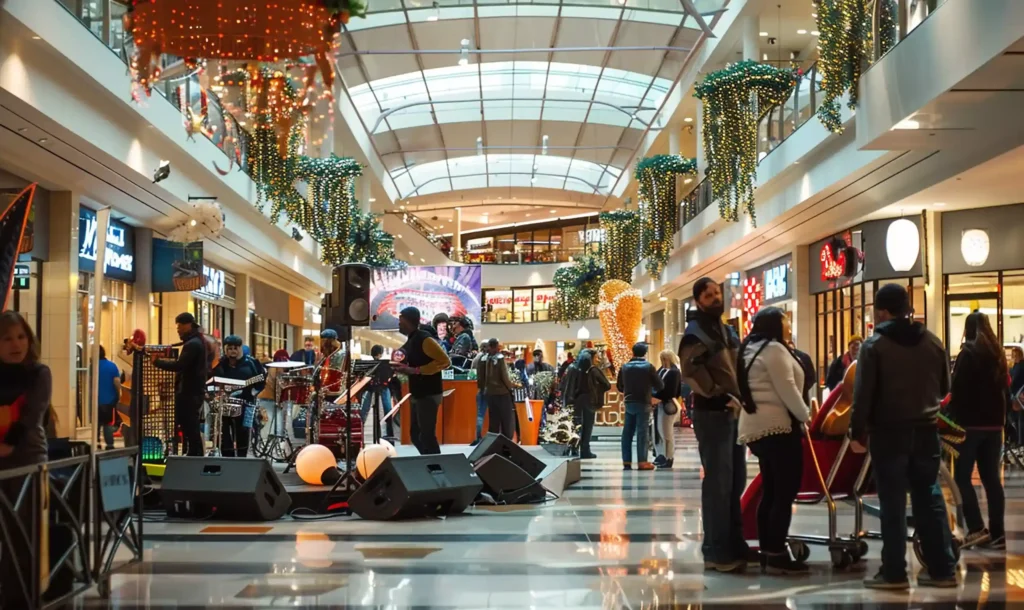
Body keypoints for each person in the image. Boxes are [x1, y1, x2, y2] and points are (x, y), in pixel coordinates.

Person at [849, 283, 957, 589]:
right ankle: (942, 569)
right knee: (930, 497)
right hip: (926, 432)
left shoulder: (874, 346)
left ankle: (894, 572)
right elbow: (945, 389)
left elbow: (863, 396)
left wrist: (857, 432)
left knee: (893, 503)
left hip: (889, 434)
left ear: (882, 311)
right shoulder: (933, 342)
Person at [679, 277, 749, 572]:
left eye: (717, 292)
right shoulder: (695, 334)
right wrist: (719, 396)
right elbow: (691, 371)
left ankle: (733, 543)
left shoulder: (726, 330)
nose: (715, 298)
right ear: (698, 300)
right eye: (709, 295)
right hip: (714, 414)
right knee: (719, 482)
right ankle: (716, 550)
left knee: (735, 481)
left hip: (733, 413)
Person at [736, 307, 811, 574]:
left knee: (771, 491)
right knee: (784, 492)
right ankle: (776, 552)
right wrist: (806, 415)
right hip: (778, 427)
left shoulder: (750, 349)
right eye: (785, 319)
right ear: (774, 324)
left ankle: (769, 549)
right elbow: (787, 388)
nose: (788, 323)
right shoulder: (775, 350)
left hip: (757, 427)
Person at [0, 312, 53, 610]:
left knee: (24, 530)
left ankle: (25, 595)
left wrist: (8, 446)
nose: (15, 344)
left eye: (20, 336)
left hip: (28, 460)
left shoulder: (38, 373)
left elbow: (33, 415)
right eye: (6, 338)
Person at [948, 311, 1008, 550]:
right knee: (991, 479)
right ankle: (998, 534)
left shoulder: (968, 355)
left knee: (961, 477)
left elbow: (958, 390)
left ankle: (976, 528)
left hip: (970, 426)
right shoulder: (998, 355)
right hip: (995, 425)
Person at [393, 307, 451, 454]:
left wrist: (417, 370)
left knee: (426, 435)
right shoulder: (412, 340)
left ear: (407, 321)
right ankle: (429, 462)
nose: (399, 325)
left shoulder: (424, 339)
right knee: (416, 435)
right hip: (419, 393)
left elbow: (445, 361)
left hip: (428, 393)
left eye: (401, 321)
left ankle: (437, 466)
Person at [153, 312, 209, 457]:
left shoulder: (193, 344)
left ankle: (194, 453)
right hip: (193, 390)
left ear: (188, 325)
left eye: (179, 326)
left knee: (189, 424)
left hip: (189, 391)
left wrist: (157, 362)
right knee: (190, 424)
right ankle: (193, 452)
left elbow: (179, 365)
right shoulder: (197, 341)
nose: (178, 329)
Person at [209, 335, 266, 457]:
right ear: (225, 349)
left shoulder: (252, 363)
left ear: (240, 348)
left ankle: (242, 458)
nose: (233, 351)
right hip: (224, 403)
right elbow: (210, 379)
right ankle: (227, 457)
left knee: (243, 433)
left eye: (236, 348)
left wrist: (253, 392)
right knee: (224, 433)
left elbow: (261, 380)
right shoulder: (220, 364)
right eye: (229, 348)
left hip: (246, 403)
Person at [617, 342, 663, 470]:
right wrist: (651, 393)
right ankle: (642, 461)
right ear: (645, 353)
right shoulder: (648, 367)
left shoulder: (625, 367)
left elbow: (620, 386)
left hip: (629, 401)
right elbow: (660, 385)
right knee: (642, 432)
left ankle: (626, 461)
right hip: (643, 402)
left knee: (627, 432)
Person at [560, 349, 609, 459]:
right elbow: (606, 385)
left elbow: (564, 385)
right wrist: (596, 389)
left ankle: (573, 449)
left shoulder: (572, 368)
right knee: (587, 426)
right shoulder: (593, 370)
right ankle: (585, 450)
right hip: (588, 400)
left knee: (575, 425)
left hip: (574, 400)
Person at [477, 338, 516, 439]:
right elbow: (504, 376)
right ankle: (506, 442)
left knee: (493, 420)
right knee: (506, 420)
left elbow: (480, 376)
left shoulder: (483, 358)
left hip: (490, 393)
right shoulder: (499, 358)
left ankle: (492, 442)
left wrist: (483, 388)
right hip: (502, 393)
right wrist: (510, 387)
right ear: (497, 346)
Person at [653, 350, 682, 469]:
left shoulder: (674, 372)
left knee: (667, 432)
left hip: (668, 403)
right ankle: (663, 455)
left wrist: (658, 397)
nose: (663, 361)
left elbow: (673, 391)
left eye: (664, 359)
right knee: (660, 431)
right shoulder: (662, 370)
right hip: (660, 403)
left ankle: (669, 457)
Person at [361, 344, 394, 440]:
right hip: (384, 386)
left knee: (364, 409)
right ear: (380, 354)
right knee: (387, 409)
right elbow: (390, 376)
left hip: (369, 387)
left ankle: (360, 430)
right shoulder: (386, 364)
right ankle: (389, 432)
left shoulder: (366, 364)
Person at [258, 349, 291, 438]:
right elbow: (278, 388)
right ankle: (276, 445)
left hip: (265, 398)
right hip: (269, 399)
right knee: (276, 427)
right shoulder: (276, 369)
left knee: (270, 427)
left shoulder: (271, 368)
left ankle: (272, 444)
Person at [97, 345, 123, 450]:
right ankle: (110, 444)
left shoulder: (92, 367)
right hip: (109, 400)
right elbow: (117, 382)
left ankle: (97, 443)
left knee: (97, 424)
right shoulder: (112, 366)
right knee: (107, 423)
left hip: (95, 401)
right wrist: (118, 395)